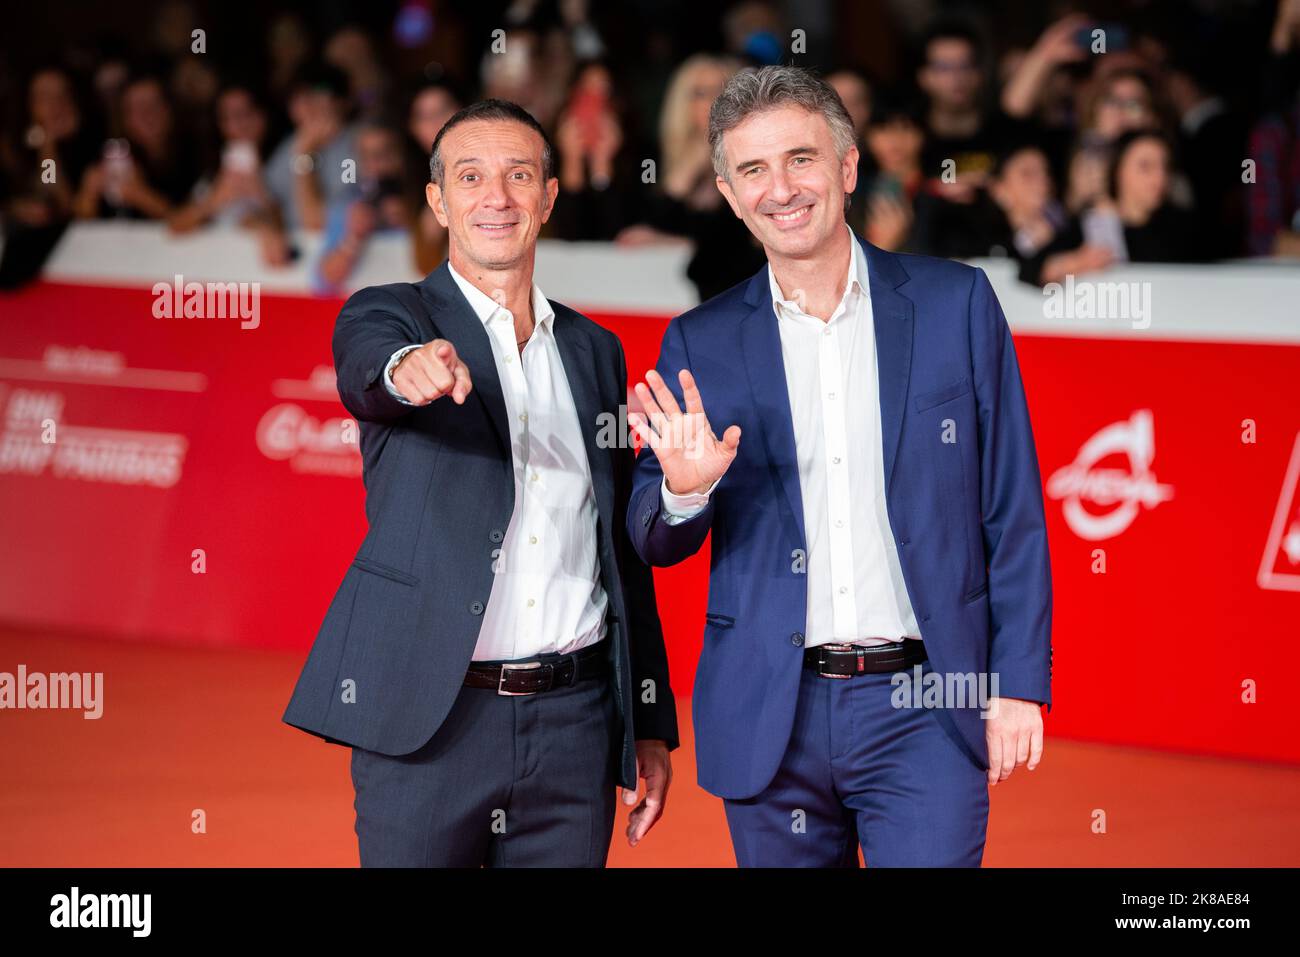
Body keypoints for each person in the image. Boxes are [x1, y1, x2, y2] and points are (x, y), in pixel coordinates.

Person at [625, 66, 1052, 867]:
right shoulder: (700, 343)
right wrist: (685, 490)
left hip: (927, 706)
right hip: (769, 718)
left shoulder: (955, 305)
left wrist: (1019, 681)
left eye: (801, 159)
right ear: (726, 190)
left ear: (848, 168)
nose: (780, 188)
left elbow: (1012, 506)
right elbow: (652, 533)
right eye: (752, 169)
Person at [283, 98, 677, 867]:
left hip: (576, 727)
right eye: (471, 176)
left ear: (549, 196)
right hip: (431, 724)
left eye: (518, 175)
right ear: (438, 199)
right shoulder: (391, 314)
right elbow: (369, 369)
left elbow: (619, 556)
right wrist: (409, 370)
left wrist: (647, 719)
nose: (496, 197)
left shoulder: (596, 350)